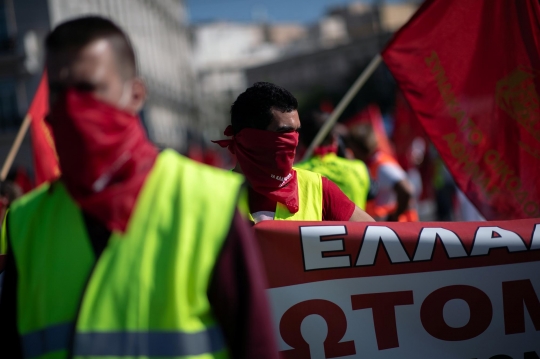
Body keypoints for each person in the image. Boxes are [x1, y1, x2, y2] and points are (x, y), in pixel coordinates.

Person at [0, 17, 278, 359]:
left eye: (88, 90)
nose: (71, 107)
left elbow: (257, 347)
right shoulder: (25, 222)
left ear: (135, 94)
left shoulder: (208, 202)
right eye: (57, 92)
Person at [213, 82, 374, 223]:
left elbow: (378, 239)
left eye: (296, 132)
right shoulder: (214, 195)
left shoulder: (317, 189)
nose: (293, 141)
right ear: (250, 138)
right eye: (285, 132)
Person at [296, 110, 371, 209]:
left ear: (300, 141)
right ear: (334, 139)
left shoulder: (296, 174)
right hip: (356, 224)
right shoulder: (360, 168)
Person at [347, 123, 418, 222]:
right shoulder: (369, 164)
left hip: (396, 229)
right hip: (382, 227)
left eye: (351, 148)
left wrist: (395, 216)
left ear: (358, 148)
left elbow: (407, 191)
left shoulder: (382, 166)